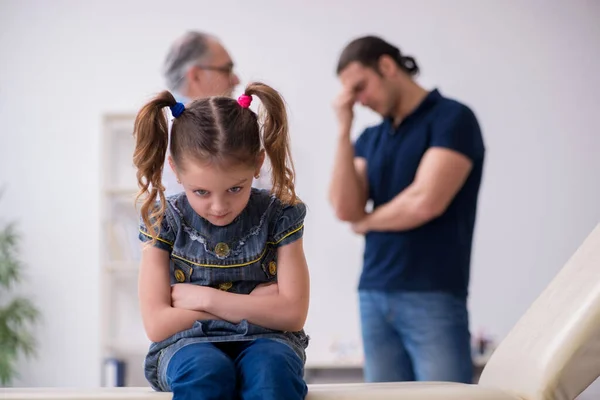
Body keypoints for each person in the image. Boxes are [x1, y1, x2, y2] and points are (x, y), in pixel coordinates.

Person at [132, 81, 310, 400]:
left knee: (272, 371)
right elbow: (158, 325)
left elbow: (292, 315)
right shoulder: (163, 220)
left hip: (268, 342)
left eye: (235, 189)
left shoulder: (280, 214)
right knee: (206, 372)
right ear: (176, 170)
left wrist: (203, 299)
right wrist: (256, 306)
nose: (218, 206)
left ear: (257, 164)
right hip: (185, 345)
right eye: (201, 192)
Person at [328, 35, 485, 384]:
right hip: (373, 291)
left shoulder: (452, 118)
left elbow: (426, 201)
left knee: (446, 396)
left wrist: (366, 222)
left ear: (387, 66)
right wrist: (343, 130)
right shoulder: (370, 136)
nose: (359, 100)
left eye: (361, 87)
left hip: (433, 292)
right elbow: (344, 207)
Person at [161, 31, 242, 196]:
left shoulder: (164, 126)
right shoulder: (175, 132)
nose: (236, 80)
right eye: (227, 69)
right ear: (196, 75)